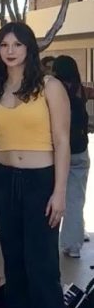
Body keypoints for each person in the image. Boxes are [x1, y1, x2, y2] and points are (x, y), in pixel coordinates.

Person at [0, 23, 74, 308]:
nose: (10, 50)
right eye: (4, 44)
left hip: (41, 181)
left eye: (17, 44)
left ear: (29, 48)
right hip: (5, 181)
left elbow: (62, 141)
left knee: (43, 266)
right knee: (14, 264)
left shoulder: (50, 86)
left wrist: (59, 192)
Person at [51, 55, 90, 258]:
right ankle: (72, 245)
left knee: (47, 196)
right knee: (75, 200)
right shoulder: (79, 89)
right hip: (79, 150)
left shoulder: (52, 87)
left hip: (55, 152)